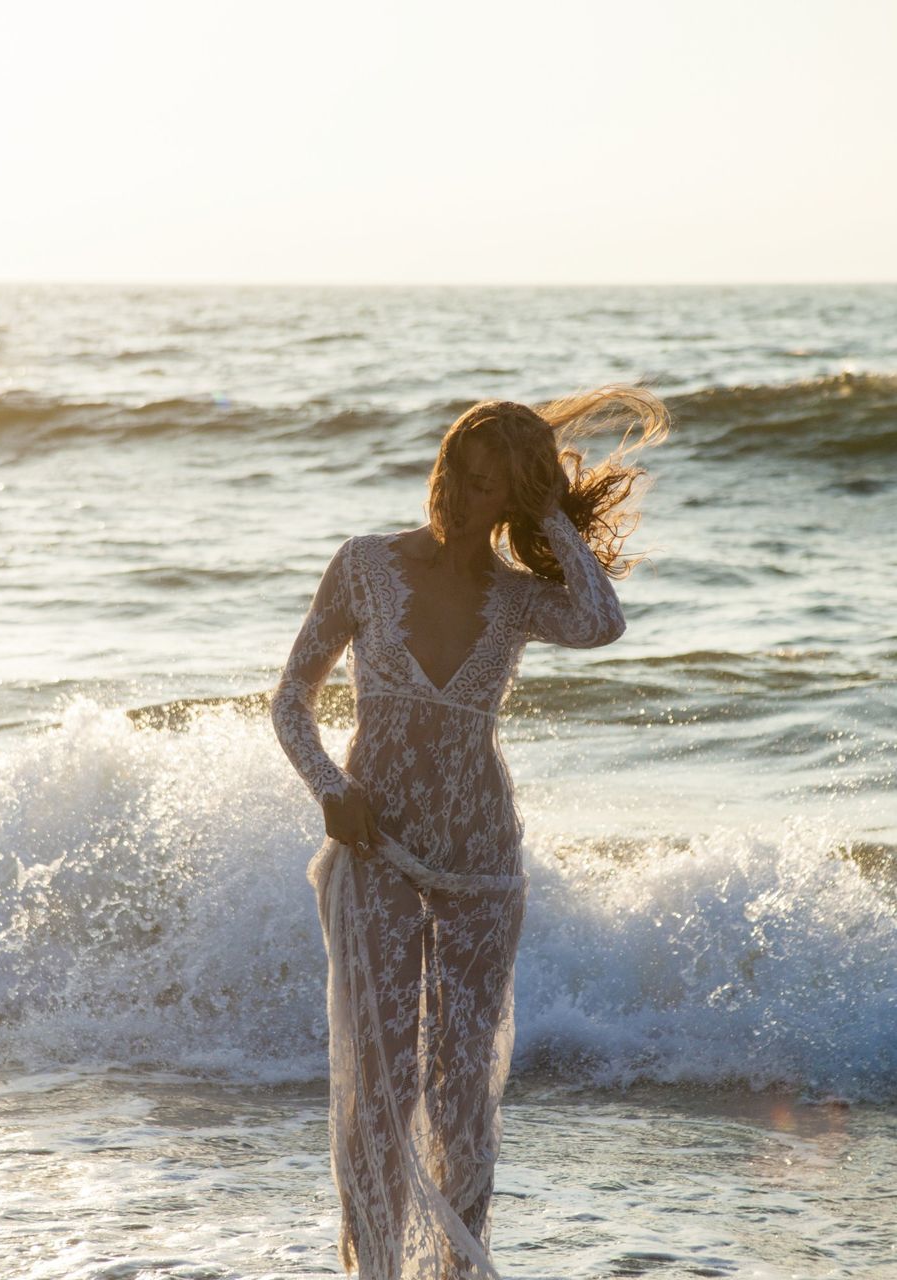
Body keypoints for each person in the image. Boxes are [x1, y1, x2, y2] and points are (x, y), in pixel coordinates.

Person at [270, 387, 669, 1279]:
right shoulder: (364, 565)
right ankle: (373, 1267)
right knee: (379, 1084)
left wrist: (550, 522)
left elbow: (601, 622)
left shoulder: (521, 600)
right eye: (456, 468)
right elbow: (291, 699)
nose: (458, 492)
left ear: (512, 501)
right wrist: (330, 788)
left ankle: (457, 1268)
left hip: (482, 859)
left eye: (488, 485)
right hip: (373, 847)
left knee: (459, 1092)